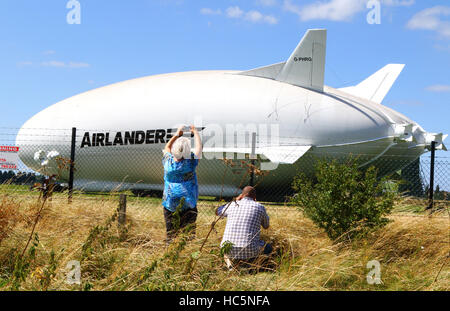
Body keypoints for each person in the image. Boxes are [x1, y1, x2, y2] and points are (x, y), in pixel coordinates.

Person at [162, 125, 202, 242]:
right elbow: (199, 149)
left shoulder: (168, 162)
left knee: (171, 233)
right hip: (188, 203)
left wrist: (177, 134)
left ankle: (170, 251)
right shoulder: (190, 163)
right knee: (188, 234)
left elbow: (167, 147)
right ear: (188, 150)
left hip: (170, 203)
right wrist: (196, 133)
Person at [216, 186, 272, 270]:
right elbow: (266, 226)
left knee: (224, 248)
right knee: (268, 247)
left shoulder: (232, 205)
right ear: (254, 197)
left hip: (228, 248)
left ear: (242, 195)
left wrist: (235, 200)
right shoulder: (260, 207)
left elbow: (217, 211)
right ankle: (252, 266)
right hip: (250, 249)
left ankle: (230, 266)